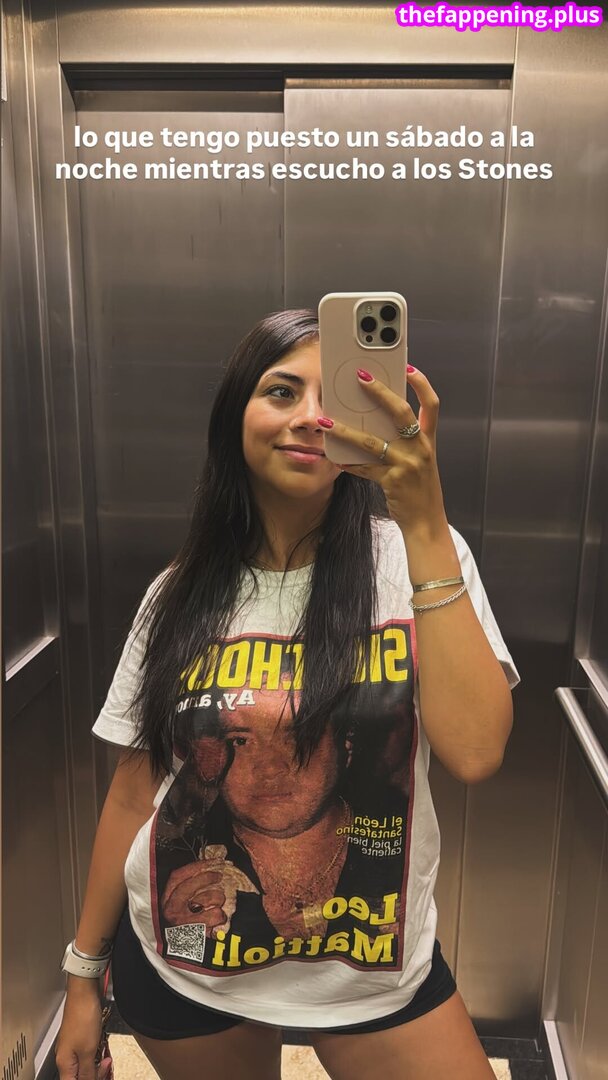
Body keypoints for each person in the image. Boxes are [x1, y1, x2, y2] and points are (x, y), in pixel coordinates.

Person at [55, 309, 520, 1080]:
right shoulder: (176, 595)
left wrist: (425, 519)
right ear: (235, 418)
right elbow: (136, 795)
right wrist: (82, 977)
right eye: (280, 391)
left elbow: (475, 751)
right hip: (187, 960)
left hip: (369, 967)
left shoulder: (415, 557)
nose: (309, 416)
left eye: (333, 397)